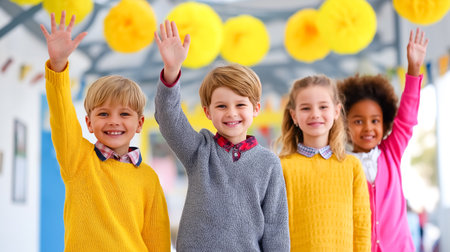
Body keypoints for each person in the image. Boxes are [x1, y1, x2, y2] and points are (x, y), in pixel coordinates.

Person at [153, 20, 290, 251]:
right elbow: (168, 117)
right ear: (207, 112)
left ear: (256, 109)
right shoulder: (198, 151)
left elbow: (276, 229)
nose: (232, 113)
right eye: (221, 106)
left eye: (240, 105)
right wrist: (172, 70)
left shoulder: (269, 164)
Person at [40, 12, 170, 251]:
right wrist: (58, 66)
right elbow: (62, 116)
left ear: (140, 123)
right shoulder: (77, 159)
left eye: (124, 114)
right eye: (103, 114)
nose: (113, 121)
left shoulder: (148, 178)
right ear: (89, 123)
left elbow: (157, 240)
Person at [337, 28, 428, 252]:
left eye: (375, 121)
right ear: (345, 126)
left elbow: (406, 119)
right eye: (358, 121)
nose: (368, 128)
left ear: (385, 123)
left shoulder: (391, 153)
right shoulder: (340, 164)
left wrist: (414, 70)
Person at [277, 74, 371, 251]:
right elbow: (276, 228)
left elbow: (362, 225)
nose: (315, 114)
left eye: (323, 107)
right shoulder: (282, 167)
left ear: (336, 111)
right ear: (294, 115)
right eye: (305, 108)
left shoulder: (352, 166)